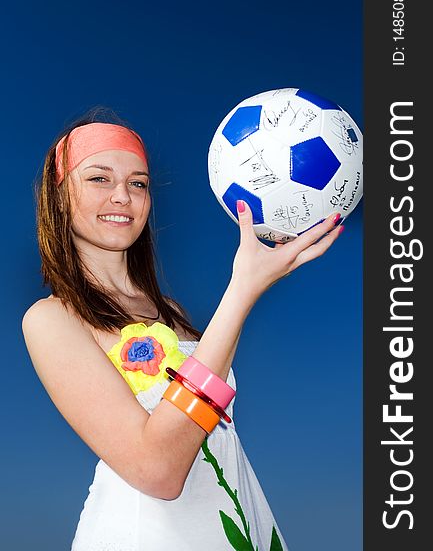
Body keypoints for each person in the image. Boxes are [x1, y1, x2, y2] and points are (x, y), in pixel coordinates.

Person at [21, 108, 343, 551]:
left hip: (237, 527)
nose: (122, 196)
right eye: (99, 179)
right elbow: (158, 470)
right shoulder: (52, 319)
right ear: (58, 195)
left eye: (138, 183)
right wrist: (242, 291)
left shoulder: (170, 312)